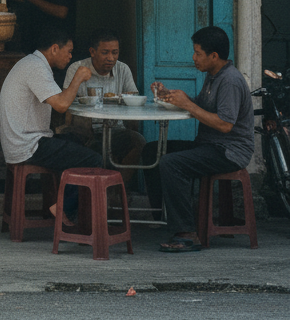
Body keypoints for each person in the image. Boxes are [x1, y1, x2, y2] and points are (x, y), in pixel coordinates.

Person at [145, 26, 255, 253]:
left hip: (229, 151)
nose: (193, 58)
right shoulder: (213, 76)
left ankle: (186, 233)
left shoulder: (230, 81)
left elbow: (225, 124)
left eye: (197, 53)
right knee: (152, 151)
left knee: (171, 163)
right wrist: (173, 96)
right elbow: (202, 107)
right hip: (209, 145)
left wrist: (188, 105)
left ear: (214, 56)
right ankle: (163, 218)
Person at [0, 28, 103, 225]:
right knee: (95, 159)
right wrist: (77, 78)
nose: (70, 57)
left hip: (23, 141)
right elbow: (62, 105)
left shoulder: (32, 63)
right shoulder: (36, 67)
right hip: (28, 144)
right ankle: (65, 208)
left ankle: (64, 204)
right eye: (69, 51)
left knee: (77, 143)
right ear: (55, 48)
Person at [60, 28, 145, 182]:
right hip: (86, 131)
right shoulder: (77, 68)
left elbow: (133, 99)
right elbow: (66, 103)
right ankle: (99, 193)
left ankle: (119, 190)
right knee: (96, 152)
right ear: (92, 52)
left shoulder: (123, 69)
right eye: (105, 52)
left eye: (115, 52)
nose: (111, 58)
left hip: (116, 129)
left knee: (138, 142)